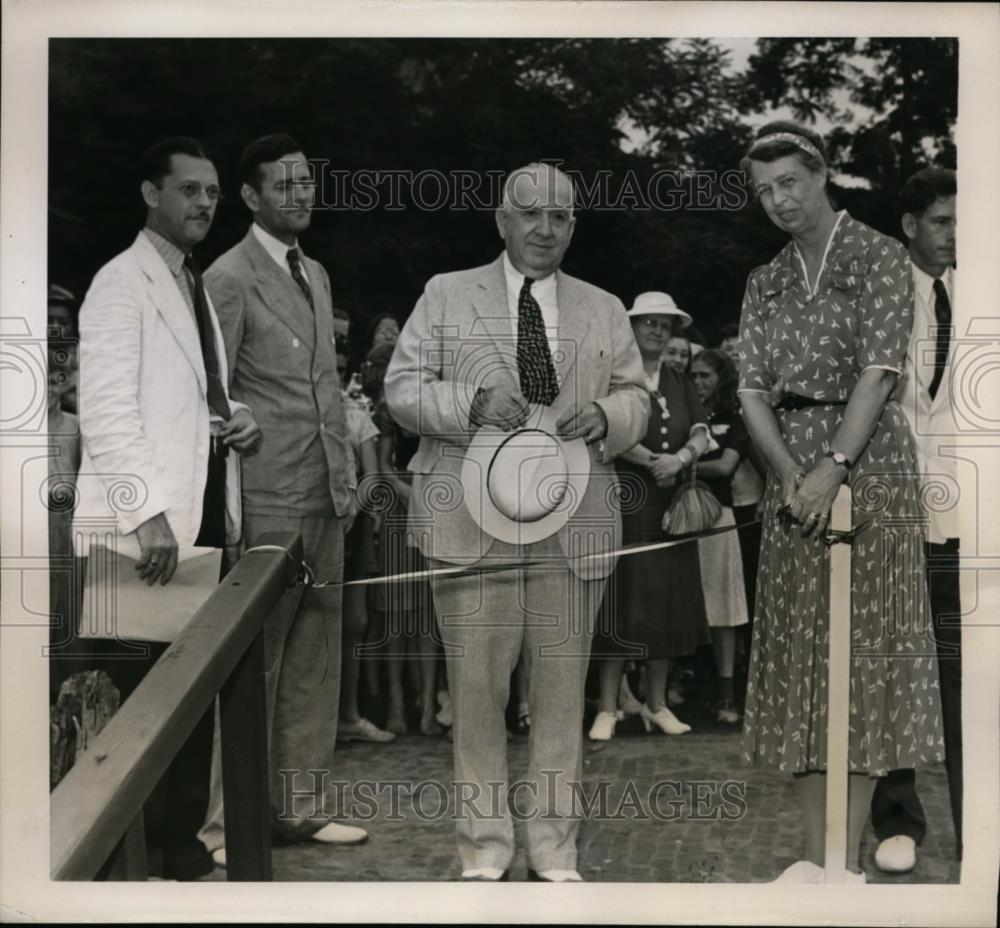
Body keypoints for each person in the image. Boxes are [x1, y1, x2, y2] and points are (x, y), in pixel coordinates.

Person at [383, 162, 648, 881]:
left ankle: (555, 851)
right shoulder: (445, 295)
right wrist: (467, 403)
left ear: (573, 227)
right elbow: (400, 388)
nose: (545, 229)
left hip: (572, 524)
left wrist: (609, 416)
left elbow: (637, 396)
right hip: (472, 525)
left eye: (561, 216)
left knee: (562, 696)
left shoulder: (604, 306)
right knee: (476, 695)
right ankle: (484, 851)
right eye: (530, 214)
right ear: (502, 221)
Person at [737, 121, 944, 883]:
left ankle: (842, 859)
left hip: (870, 473)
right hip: (792, 480)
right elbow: (752, 388)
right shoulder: (766, 279)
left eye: (789, 181)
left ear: (821, 174)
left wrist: (833, 467)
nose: (779, 201)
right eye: (764, 191)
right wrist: (792, 474)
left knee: (859, 665)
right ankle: (813, 857)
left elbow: (881, 371)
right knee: (803, 665)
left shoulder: (880, 257)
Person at [72, 136, 261, 880]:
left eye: (213, 192)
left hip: (200, 519)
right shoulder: (121, 282)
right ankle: (132, 860)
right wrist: (143, 511)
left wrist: (238, 414)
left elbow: (194, 395)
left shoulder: (190, 285)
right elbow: (108, 409)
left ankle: (178, 850)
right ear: (152, 193)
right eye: (191, 190)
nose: (206, 204)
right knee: (137, 705)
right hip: (143, 532)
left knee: (187, 697)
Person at [199, 132, 366, 859]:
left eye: (307, 182)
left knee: (313, 659)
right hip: (266, 493)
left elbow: (323, 384)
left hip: (326, 491)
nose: (301, 194)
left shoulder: (318, 273)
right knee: (251, 664)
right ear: (251, 196)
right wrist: (229, 418)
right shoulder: (227, 276)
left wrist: (349, 471)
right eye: (285, 184)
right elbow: (207, 383)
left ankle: (297, 809)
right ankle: (223, 825)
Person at [870, 167, 962, 873]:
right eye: (941, 220)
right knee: (897, 668)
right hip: (893, 507)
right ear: (909, 224)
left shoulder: (982, 293)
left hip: (968, 512)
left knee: (966, 670)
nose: (954, 234)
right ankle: (898, 820)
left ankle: (977, 819)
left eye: (963, 221)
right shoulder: (879, 291)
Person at [590, 292, 711, 741]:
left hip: (672, 505)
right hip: (628, 501)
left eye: (665, 324)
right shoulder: (616, 375)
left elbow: (700, 430)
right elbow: (609, 431)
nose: (658, 331)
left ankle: (657, 704)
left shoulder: (679, 379)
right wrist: (649, 461)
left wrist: (680, 458)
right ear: (632, 327)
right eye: (649, 323)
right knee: (623, 601)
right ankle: (609, 706)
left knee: (667, 603)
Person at [336, 346, 396, 744]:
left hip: (351, 525)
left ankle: (348, 715)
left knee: (355, 622)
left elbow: (373, 475)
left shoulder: (354, 413)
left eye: (342, 368)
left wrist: (350, 512)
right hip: (312, 523)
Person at [689, 349, 750, 724]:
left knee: (723, 609)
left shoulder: (733, 418)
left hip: (718, 517)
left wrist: (683, 463)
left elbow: (727, 465)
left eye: (706, 376)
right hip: (681, 517)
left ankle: (727, 694)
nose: (698, 382)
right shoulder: (685, 417)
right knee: (686, 606)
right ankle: (686, 692)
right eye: (693, 375)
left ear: (722, 379)